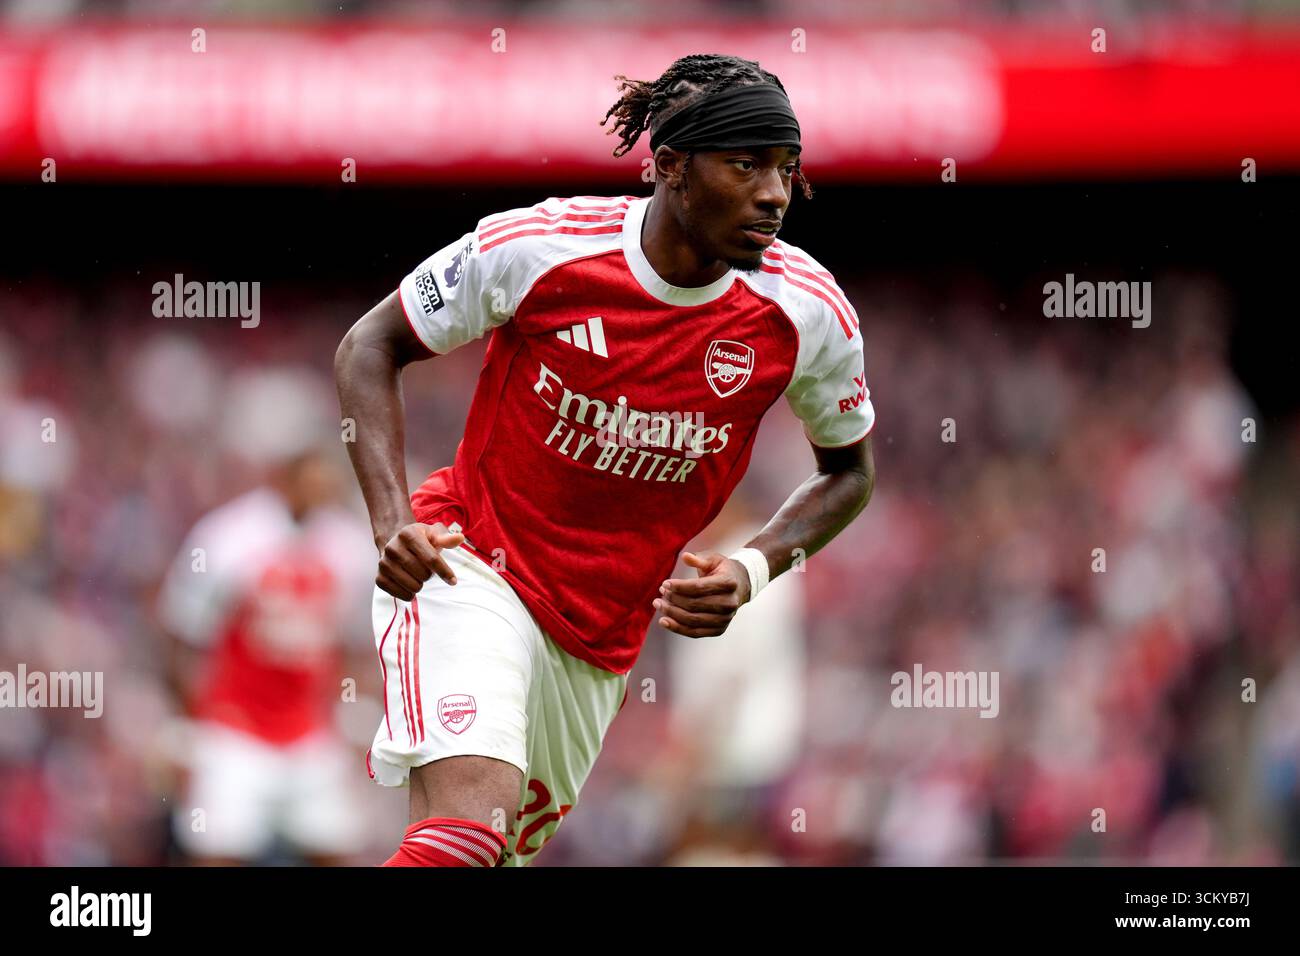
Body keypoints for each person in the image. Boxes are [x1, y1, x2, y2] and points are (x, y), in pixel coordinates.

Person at [334, 53, 877, 867]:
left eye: (785, 169)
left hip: (598, 643)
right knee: (467, 831)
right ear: (668, 167)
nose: (772, 193)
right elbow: (369, 344)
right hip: (469, 567)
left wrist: (754, 570)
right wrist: (391, 524)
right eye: (745, 165)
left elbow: (850, 471)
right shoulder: (541, 247)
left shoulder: (806, 311)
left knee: (492, 856)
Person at [158, 443, 373, 865]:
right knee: (217, 851)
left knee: (335, 849)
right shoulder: (229, 537)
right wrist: (189, 722)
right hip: (235, 726)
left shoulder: (348, 545)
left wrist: (349, 710)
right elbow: (183, 633)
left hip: (312, 730)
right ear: (285, 477)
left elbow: (357, 643)